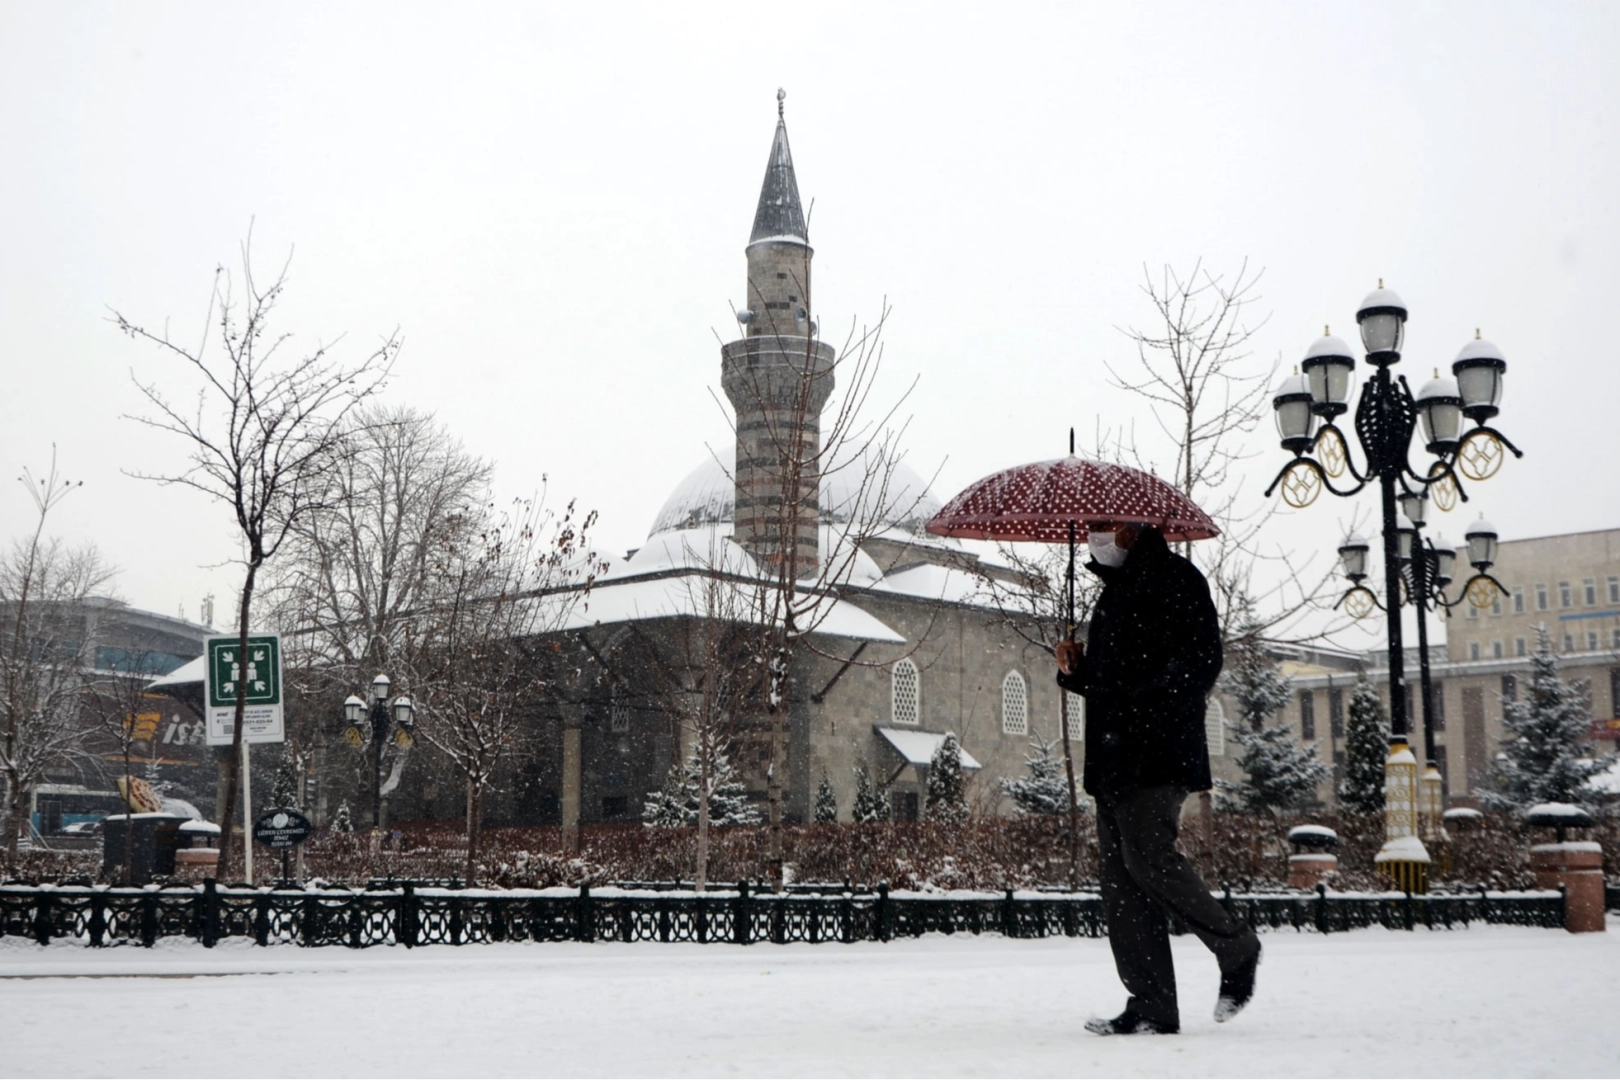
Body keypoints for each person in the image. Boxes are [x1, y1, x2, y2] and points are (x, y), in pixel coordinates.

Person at [1055, 521, 1261, 1035]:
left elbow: (1199, 664)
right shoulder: (1115, 593)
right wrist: (1076, 671)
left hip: (1155, 754)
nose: (1094, 539)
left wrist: (1141, 704)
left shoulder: (1176, 580)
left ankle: (1236, 945)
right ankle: (1151, 1004)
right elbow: (1111, 685)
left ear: (1133, 528)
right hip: (1113, 760)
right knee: (1121, 881)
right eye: (1090, 530)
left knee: (1149, 859)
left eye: (1102, 528)